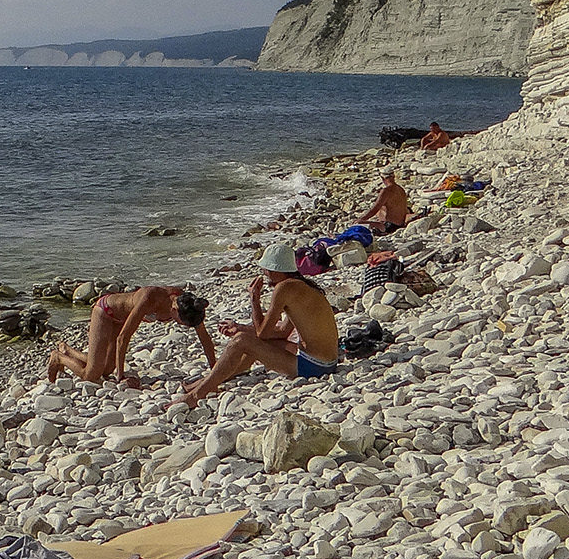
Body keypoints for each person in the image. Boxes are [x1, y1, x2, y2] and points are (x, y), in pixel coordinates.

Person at [174, 244, 341, 408]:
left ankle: (196, 395)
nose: (264, 273)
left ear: (274, 269)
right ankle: (209, 381)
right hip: (327, 363)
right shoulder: (303, 286)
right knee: (248, 339)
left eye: (266, 269)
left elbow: (263, 334)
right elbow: (282, 331)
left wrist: (254, 299)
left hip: (314, 367)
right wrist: (240, 327)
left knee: (241, 341)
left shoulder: (284, 288)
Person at [46, 286, 217, 388]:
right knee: (91, 374)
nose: (183, 326)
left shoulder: (190, 305)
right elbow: (123, 338)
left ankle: (67, 349)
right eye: (182, 323)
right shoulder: (151, 298)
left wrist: (215, 369)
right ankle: (58, 357)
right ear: (174, 310)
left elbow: (204, 337)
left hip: (121, 319)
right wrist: (121, 377)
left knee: (106, 370)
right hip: (105, 312)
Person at [354, 170, 420, 235]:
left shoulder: (385, 191)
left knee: (358, 224)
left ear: (383, 178)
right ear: (394, 176)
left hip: (389, 226)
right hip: (400, 223)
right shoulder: (401, 190)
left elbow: (375, 208)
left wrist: (361, 219)